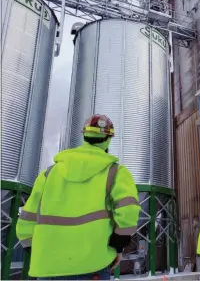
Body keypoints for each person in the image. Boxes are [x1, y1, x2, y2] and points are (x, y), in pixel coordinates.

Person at [16, 114, 141, 280]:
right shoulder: (115, 172)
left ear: (84, 136)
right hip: (94, 264)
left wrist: (36, 250)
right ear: (109, 139)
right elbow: (128, 211)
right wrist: (117, 247)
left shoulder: (49, 173)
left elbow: (26, 219)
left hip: (49, 267)